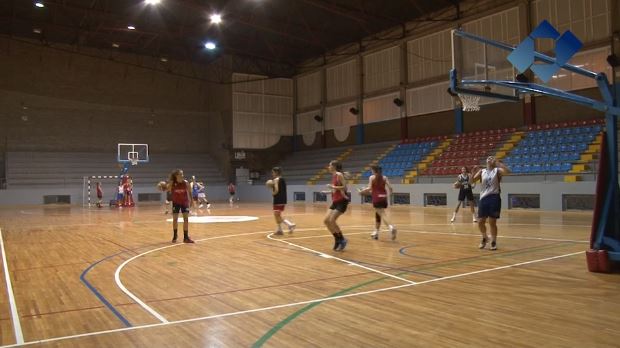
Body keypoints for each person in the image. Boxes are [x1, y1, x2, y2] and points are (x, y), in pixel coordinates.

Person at [472, 156, 510, 250]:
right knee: (480, 221)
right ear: (486, 161)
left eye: (492, 158)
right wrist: (473, 173)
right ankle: (485, 237)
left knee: (492, 222)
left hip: (494, 197)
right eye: (488, 158)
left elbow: (508, 172)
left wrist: (498, 163)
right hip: (483, 198)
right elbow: (471, 181)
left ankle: (493, 241)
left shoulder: (497, 170)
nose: (489, 159)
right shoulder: (482, 171)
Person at [358, 165, 397, 240]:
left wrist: (361, 191)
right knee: (378, 214)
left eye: (371, 170)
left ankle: (391, 227)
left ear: (373, 170)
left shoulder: (372, 177)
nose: (371, 171)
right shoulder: (385, 177)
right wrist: (388, 196)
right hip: (383, 198)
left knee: (382, 214)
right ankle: (376, 232)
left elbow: (369, 188)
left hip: (376, 198)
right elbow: (391, 188)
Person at [324, 160, 349, 251]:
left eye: (329, 165)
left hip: (342, 201)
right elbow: (336, 190)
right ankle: (337, 239)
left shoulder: (339, 174)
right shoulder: (334, 176)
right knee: (326, 221)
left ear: (334, 166)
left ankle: (342, 239)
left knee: (332, 220)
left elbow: (345, 187)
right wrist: (328, 191)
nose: (328, 167)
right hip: (335, 201)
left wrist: (333, 187)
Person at [168, 169, 194, 243]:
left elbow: (189, 192)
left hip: (184, 202)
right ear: (176, 176)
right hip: (176, 202)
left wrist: (191, 200)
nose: (182, 175)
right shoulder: (172, 183)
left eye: (182, 174)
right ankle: (175, 235)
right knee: (175, 219)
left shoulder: (185, 183)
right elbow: (167, 190)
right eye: (181, 174)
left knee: (186, 219)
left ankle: (186, 237)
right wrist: (163, 187)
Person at [267, 167, 295, 235]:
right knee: (277, 215)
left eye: (273, 172)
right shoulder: (282, 179)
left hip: (278, 199)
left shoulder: (276, 179)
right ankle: (280, 230)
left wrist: (273, 193)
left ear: (276, 172)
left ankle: (290, 225)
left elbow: (276, 190)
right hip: (283, 199)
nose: (272, 174)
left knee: (277, 215)